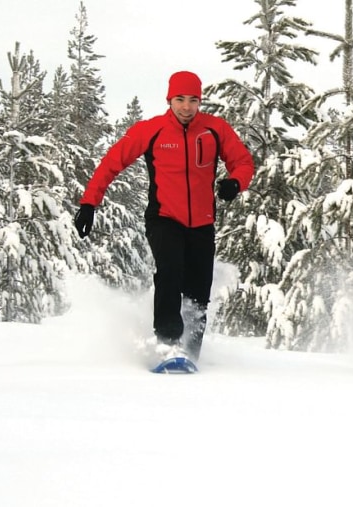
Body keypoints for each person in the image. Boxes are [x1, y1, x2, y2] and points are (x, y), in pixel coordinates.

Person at [73, 70, 255, 361]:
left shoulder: (215, 130)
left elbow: (243, 162)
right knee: (170, 274)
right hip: (164, 218)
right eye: (180, 99)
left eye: (193, 100)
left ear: (200, 101)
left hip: (202, 223)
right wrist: (89, 203)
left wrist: (235, 182)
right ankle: (167, 346)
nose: (186, 107)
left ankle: (190, 354)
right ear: (169, 99)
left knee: (197, 290)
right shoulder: (152, 130)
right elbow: (112, 162)